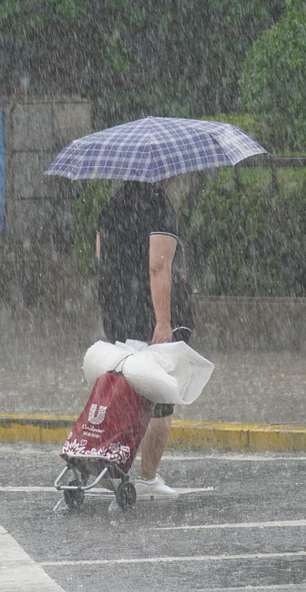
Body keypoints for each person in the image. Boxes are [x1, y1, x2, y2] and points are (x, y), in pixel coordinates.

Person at [95, 179, 194, 500]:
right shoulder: (158, 208)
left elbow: (101, 261)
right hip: (149, 314)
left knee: (125, 391)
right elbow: (158, 267)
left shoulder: (110, 207)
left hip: (117, 312)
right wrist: (164, 321)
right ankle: (148, 479)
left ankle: (111, 466)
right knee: (160, 397)